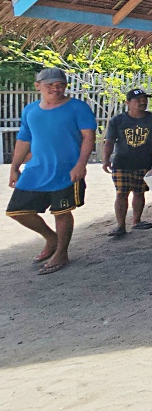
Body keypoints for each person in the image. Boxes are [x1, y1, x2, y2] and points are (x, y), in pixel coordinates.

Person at [6, 68, 97, 275]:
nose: (56, 89)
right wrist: (14, 167)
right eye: (50, 85)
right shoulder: (30, 110)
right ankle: (51, 238)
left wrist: (81, 164)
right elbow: (24, 139)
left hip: (67, 170)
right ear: (37, 85)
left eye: (60, 85)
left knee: (61, 212)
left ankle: (62, 252)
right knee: (17, 211)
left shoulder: (78, 108)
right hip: (36, 170)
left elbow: (88, 137)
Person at [102, 88, 152, 238]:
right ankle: (120, 225)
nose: (142, 102)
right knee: (121, 193)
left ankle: (136, 221)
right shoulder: (118, 121)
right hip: (122, 163)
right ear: (128, 103)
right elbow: (109, 141)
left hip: (144, 162)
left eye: (144, 99)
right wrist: (106, 160)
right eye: (138, 100)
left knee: (139, 193)